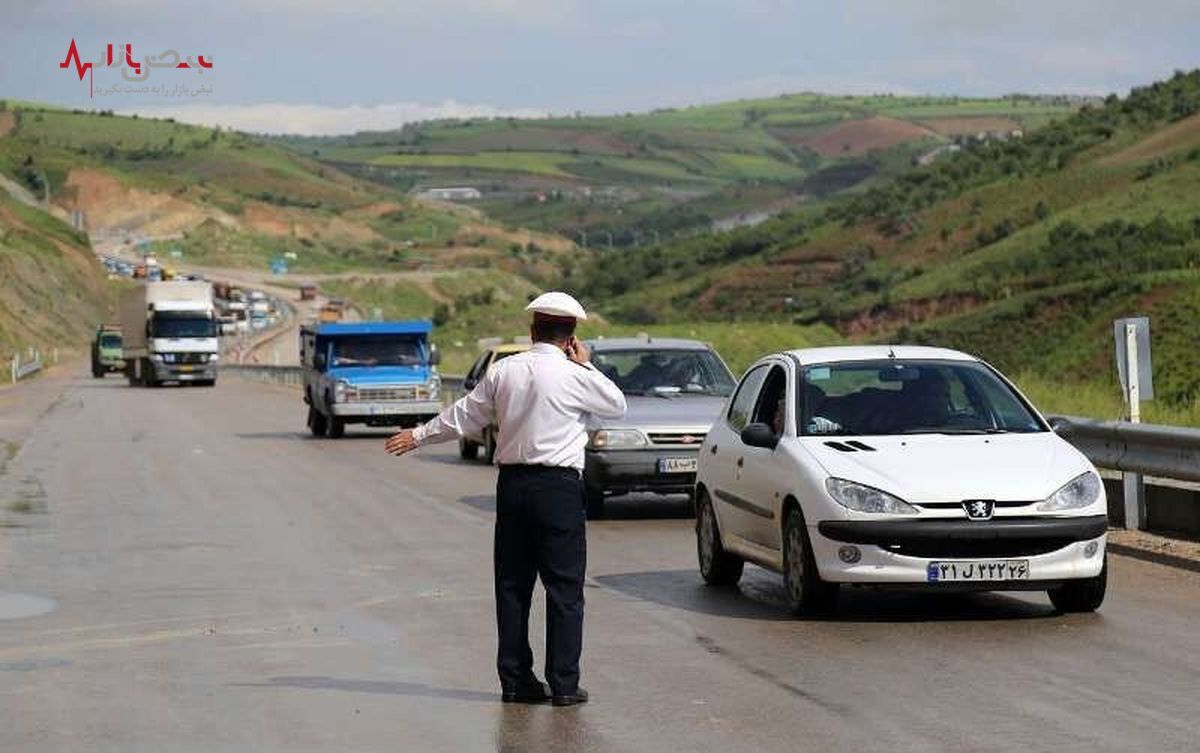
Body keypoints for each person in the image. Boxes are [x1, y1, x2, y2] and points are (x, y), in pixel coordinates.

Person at [384, 292, 626, 707]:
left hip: (513, 488)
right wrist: (584, 362)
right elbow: (617, 406)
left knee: (513, 587)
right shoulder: (577, 374)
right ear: (571, 337)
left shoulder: (504, 371)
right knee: (565, 589)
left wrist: (418, 435)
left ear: (533, 331)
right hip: (559, 489)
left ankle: (516, 682)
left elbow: (464, 415)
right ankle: (564, 685)